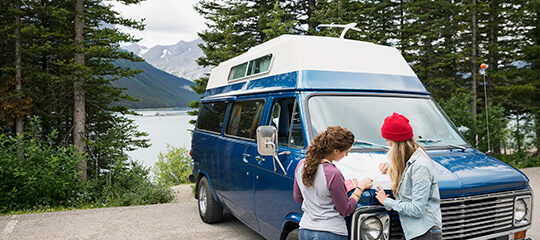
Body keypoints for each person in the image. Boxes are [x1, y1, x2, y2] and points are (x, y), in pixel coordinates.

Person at [293, 126, 373, 240]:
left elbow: (298, 198)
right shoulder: (333, 173)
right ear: (335, 151)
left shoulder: (301, 165)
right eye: (346, 152)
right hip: (330, 232)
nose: (346, 155)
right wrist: (360, 187)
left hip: (306, 230)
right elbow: (345, 209)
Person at [374, 113, 443, 240]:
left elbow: (417, 209)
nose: (387, 143)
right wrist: (392, 169)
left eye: (389, 140)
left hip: (424, 233)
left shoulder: (421, 166)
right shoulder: (410, 162)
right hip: (415, 232)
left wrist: (386, 201)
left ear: (398, 142)